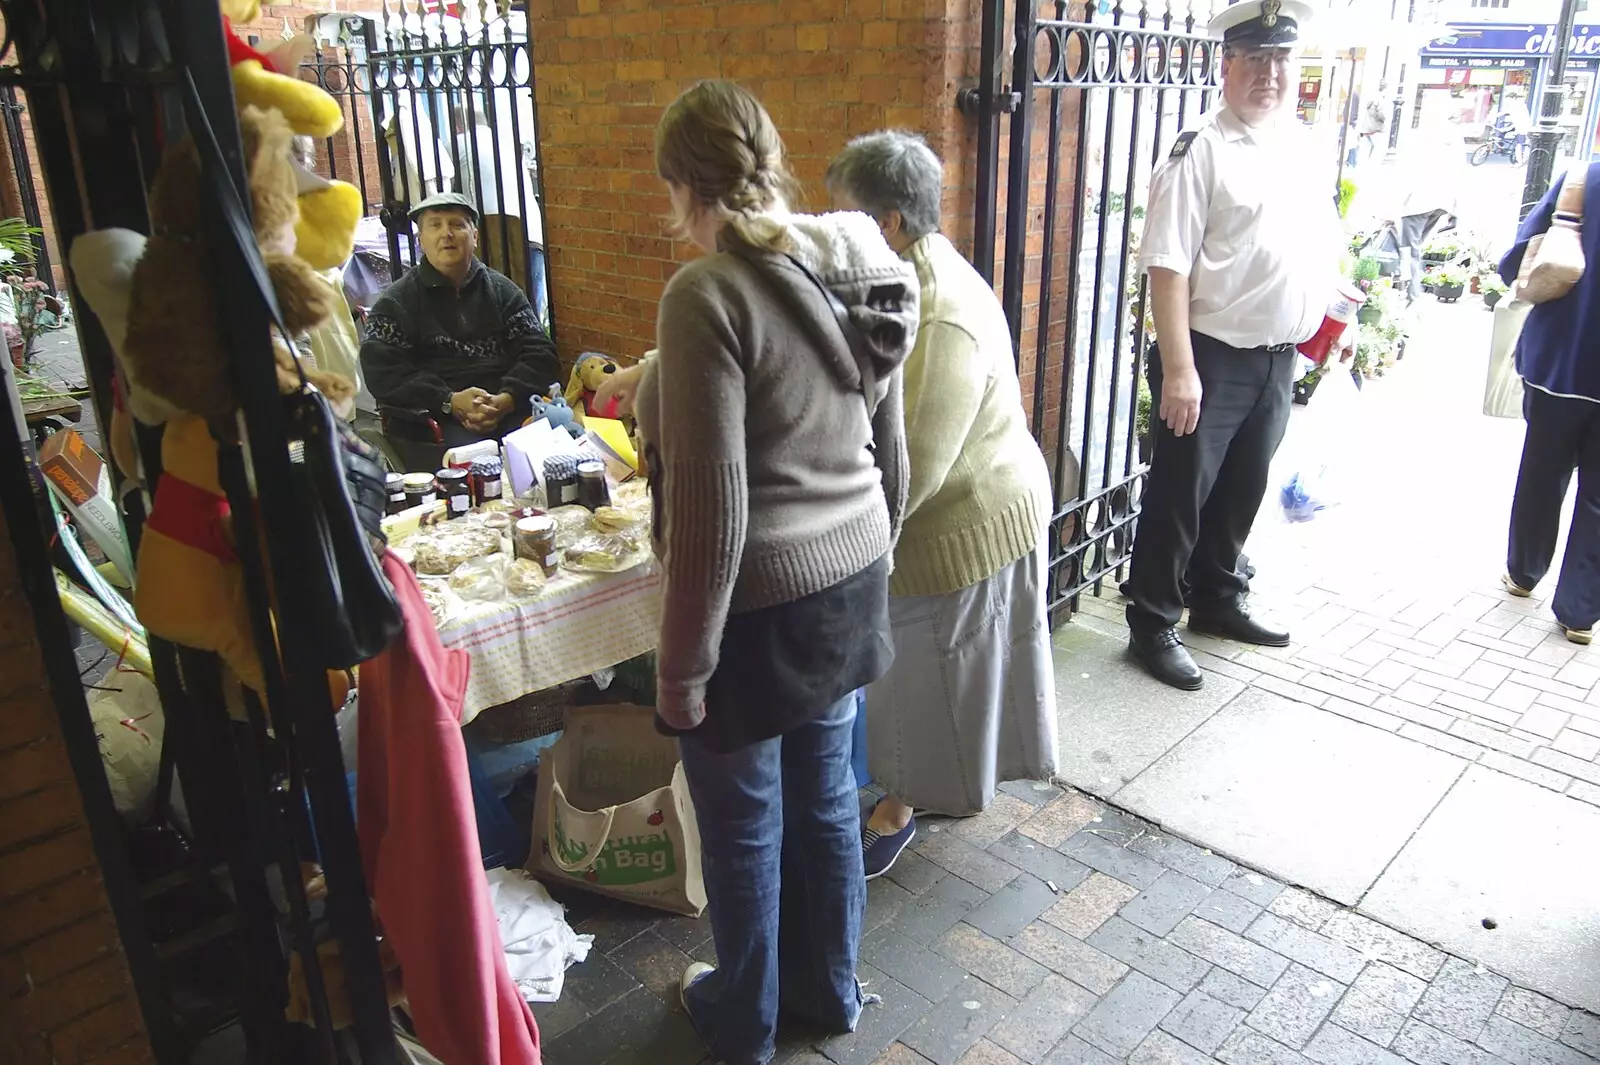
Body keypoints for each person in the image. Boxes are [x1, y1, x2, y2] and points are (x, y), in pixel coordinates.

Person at [623, 81, 918, 1065]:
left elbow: (710, 517)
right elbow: (894, 452)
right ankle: (828, 994)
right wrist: (874, 548)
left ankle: (741, 1024)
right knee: (827, 796)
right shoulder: (857, 268)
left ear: (678, 186)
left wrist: (679, 673)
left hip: (756, 609)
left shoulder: (705, 292)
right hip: (849, 577)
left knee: (745, 825)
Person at [823, 131, 1058, 878]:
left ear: (887, 222)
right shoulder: (901, 274)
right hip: (969, 507)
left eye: (847, 218)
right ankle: (928, 788)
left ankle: (900, 806)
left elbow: (911, 471)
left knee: (927, 676)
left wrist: (840, 543)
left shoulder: (939, 307)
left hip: (966, 519)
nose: (838, 233)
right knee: (948, 674)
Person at [1124, 0, 1350, 690]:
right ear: (1227, 64)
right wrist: (1180, 370)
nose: (1269, 73)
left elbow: (1317, 244)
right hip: (1210, 355)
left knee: (1243, 487)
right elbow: (1168, 263)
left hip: (1277, 356)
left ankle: (1217, 598)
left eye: (1280, 59)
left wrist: (1333, 317)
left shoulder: (1301, 144)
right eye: (1254, 58)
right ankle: (1152, 621)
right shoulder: (1202, 147)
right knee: (1179, 493)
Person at [360, 192, 560, 448]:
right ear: (421, 240)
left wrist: (507, 398)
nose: (447, 234)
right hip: (437, 422)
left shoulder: (502, 291)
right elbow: (383, 373)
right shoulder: (396, 303)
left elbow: (540, 353)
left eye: (457, 224)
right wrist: (449, 401)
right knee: (478, 458)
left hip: (507, 410)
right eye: (435, 225)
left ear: (474, 237)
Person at [1496, 162, 1600, 646]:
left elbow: (1517, 258)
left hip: (1561, 361)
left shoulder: (1584, 178)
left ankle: (1524, 572)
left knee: (1542, 472)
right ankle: (1579, 611)